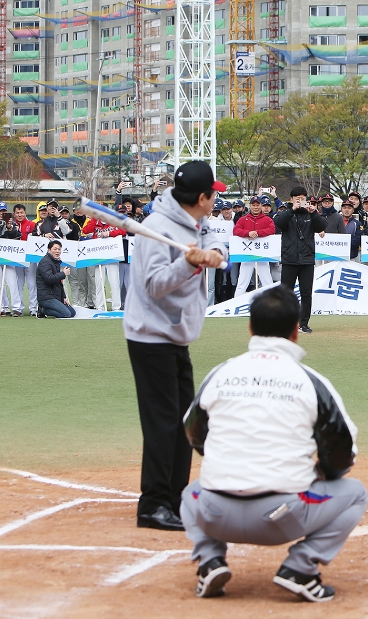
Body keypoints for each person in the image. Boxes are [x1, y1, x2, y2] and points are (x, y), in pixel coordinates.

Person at [180, 285, 365, 602]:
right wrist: (321, 474)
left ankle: (209, 560)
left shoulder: (221, 372)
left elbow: (193, 432)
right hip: (281, 519)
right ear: (296, 330)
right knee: (355, 494)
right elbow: (341, 453)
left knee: (189, 492)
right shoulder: (311, 381)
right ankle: (300, 567)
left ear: (250, 327)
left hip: (213, 512)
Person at [123, 160, 228, 532]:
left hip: (176, 336)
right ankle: (153, 504)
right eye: (213, 194)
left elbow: (212, 237)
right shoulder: (155, 229)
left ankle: (176, 497)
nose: (215, 199)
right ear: (201, 197)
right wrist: (189, 264)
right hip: (151, 337)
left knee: (186, 422)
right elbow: (154, 284)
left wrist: (213, 252)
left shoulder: (194, 219)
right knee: (163, 424)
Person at [274, 186, 327, 333]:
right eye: (297, 198)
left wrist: (314, 213)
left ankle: (303, 323)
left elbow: (323, 226)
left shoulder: (310, 214)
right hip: (289, 259)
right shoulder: (285, 213)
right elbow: (278, 224)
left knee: (306, 293)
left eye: (302, 198)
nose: (300, 201)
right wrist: (292, 210)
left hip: (307, 260)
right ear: (291, 200)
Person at [233, 196, 277, 296]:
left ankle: (273, 305)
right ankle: (236, 304)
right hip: (247, 254)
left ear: (261, 206)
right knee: (242, 283)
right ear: (250, 206)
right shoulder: (243, 219)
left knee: (267, 282)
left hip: (262, 255)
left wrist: (257, 233)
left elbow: (272, 229)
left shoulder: (267, 219)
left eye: (258, 205)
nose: (256, 207)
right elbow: (236, 230)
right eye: (253, 205)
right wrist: (248, 233)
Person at [36, 240, 76, 318]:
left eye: (59, 249)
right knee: (66, 314)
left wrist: (63, 297)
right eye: (55, 249)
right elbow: (49, 278)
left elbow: (59, 283)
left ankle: (46, 309)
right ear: (49, 250)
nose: (57, 251)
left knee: (72, 313)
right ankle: (42, 310)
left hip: (55, 296)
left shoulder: (55, 262)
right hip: (46, 297)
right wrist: (63, 273)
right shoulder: (45, 262)